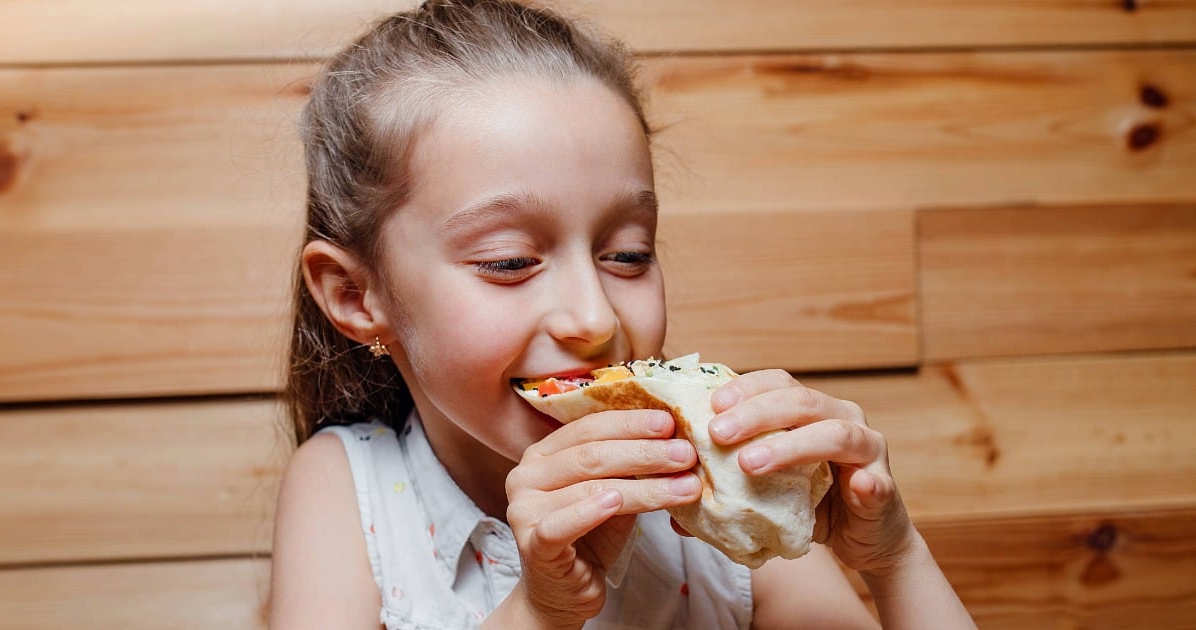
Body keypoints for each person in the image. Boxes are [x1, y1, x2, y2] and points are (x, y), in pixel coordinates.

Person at [269, 1, 975, 628]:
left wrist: (895, 556)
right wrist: (539, 612)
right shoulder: (347, 488)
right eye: (510, 261)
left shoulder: (724, 491)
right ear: (358, 297)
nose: (595, 317)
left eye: (628, 255)